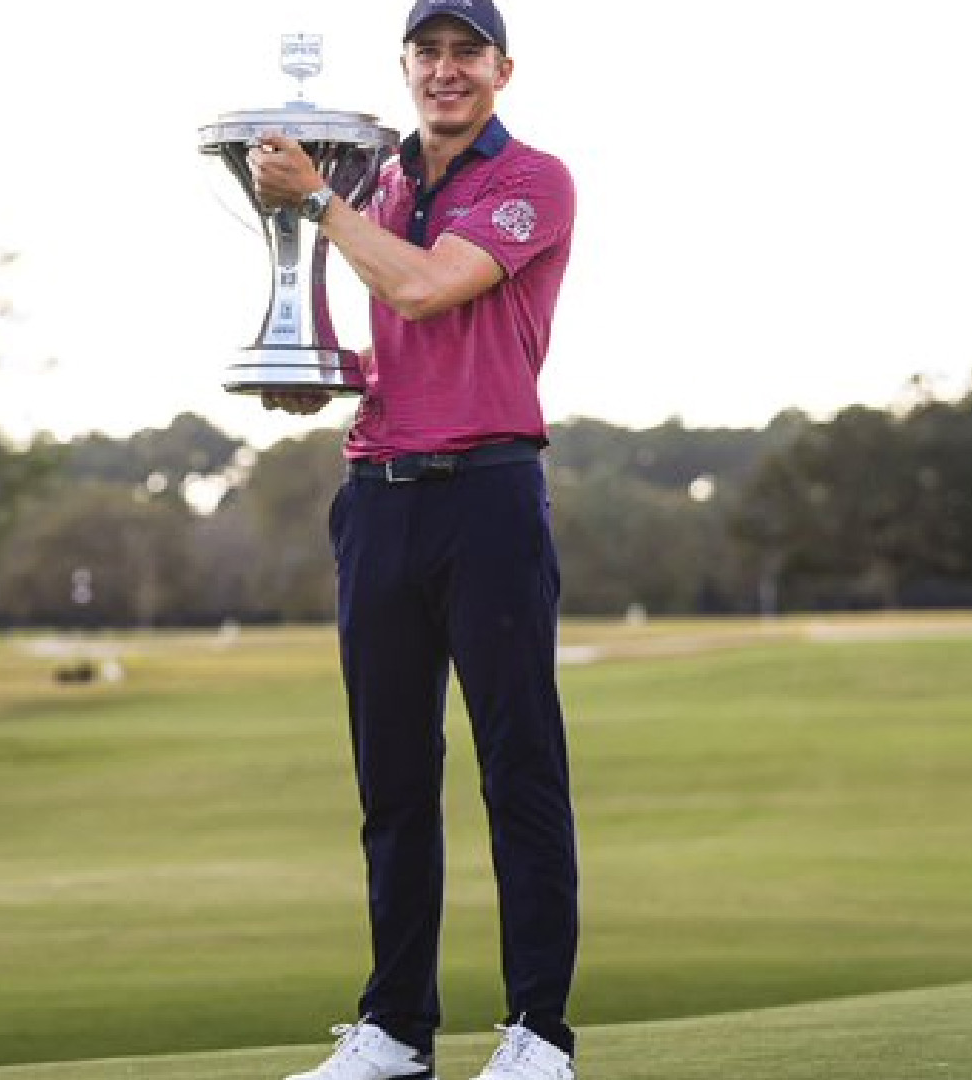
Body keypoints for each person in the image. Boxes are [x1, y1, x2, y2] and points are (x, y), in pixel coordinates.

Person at [247, 2, 579, 1078]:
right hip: (378, 495)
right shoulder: (375, 178)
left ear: (501, 70)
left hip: (487, 494)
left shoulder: (533, 180)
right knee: (392, 778)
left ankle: (538, 1033)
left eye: (465, 54)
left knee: (518, 767)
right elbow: (383, 324)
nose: (445, 71)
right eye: (428, 54)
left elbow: (429, 288)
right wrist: (308, 372)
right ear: (406, 67)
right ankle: (395, 1029)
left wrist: (320, 203)